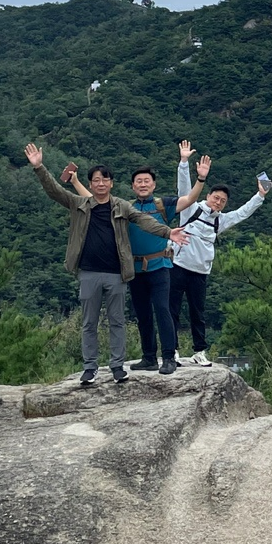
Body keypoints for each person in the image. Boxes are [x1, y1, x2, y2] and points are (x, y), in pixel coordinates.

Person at [24, 144, 188, 386]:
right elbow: (55, 191)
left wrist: (167, 232)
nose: (100, 184)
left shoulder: (121, 206)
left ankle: (117, 367)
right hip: (89, 272)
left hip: (116, 273)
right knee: (89, 322)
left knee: (117, 322)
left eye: (105, 180)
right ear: (90, 184)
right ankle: (89, 368)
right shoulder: (79, 204)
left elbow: (144, 221)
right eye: (96, 180)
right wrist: (39, 167)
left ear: (111, 183)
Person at [64, 142, 209, 376]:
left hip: (160, 266)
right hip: (134, 269)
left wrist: (200, 179)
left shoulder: (164, 205)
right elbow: (92, 198)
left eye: (147, 181)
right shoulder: (124, 207)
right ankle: (149, 357)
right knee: (142, 313)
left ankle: (169, 357)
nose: (143, 184)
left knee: (162, 310)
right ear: (132, 186)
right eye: (138, 181)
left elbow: (190, 199)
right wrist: (75, 182)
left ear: (153, 184)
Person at [172, 175, 269, 366]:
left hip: (200, 272)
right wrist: (184, 163)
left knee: (197, 313)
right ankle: (171, 350)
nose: (218, 202)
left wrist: (260, 195)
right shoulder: (191, 209)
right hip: (178, 266)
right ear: (207, 196)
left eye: (223, 201)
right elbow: (183, 190)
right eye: (216, 198)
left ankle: (199, 351)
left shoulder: (220, 221)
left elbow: (243, 213)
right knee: (172, 310)